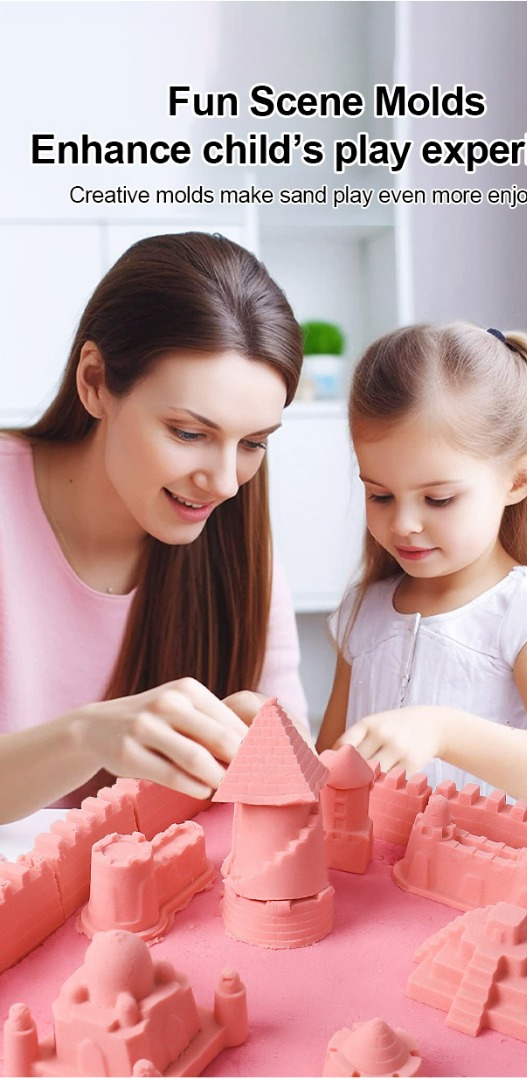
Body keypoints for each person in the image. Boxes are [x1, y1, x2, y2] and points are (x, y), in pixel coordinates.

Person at [0, 231, 308, 824]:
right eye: (189, 433)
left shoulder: (240, 547)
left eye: (252, 443)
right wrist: (86, 737)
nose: (225, 483)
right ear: (95, 381)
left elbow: (294, 793)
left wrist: (274, 752)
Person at [317, 322, 527, 817]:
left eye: (438, 499)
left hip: (491, 863)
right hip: (380, 865)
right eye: (380, 495)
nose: (404, 523)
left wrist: (443, 730)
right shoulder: (362, 611)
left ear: (517, 481)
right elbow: (328, 767)